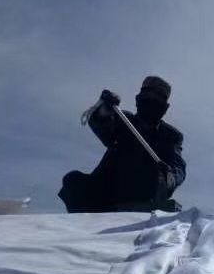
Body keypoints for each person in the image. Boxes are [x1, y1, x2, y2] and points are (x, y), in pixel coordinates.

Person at [59, 76, 186, 213]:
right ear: (139, 98)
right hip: (107, 188)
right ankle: (85, 222)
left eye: (156, 98)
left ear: (164, 106)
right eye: (147, 95)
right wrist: (103, 110)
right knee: (74, 181)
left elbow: (177, 166)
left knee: (152, 174)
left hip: (142, 191)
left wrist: (169, 177)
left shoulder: (170, 136)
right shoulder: (123, 120)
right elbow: (104, 128)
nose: (150, 101)